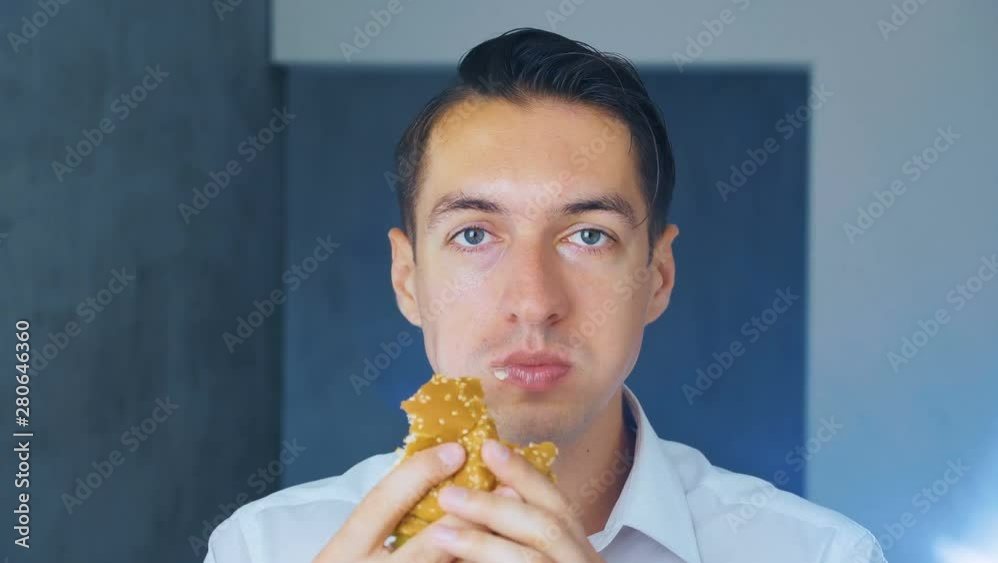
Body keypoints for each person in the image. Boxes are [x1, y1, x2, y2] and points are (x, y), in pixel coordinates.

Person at [205, 27, 885, 563]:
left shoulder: (820, 554)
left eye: (588, 236)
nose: (533, 301)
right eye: (475, 234)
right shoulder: (264, 548)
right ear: (407, 278)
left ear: (658, 276)